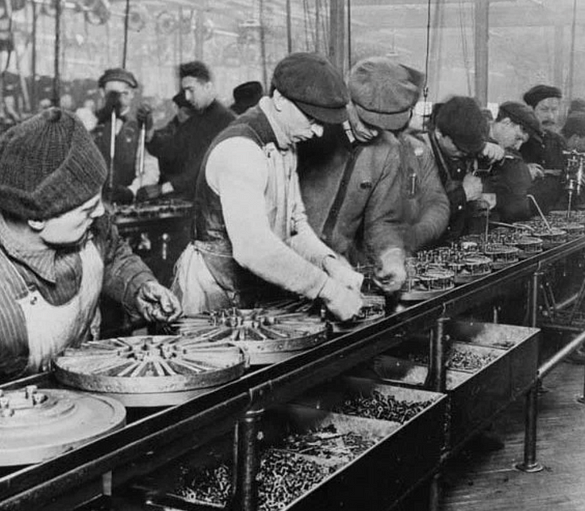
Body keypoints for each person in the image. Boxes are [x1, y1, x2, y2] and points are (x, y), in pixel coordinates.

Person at [0, 107, 181, 409]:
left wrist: (139, 287)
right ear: (38, 219)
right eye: (87, 210)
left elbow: (111, 254)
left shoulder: (87, 227)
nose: (101, 213)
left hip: (86, 409)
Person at [171, 52, 364, 321]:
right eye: (312, 119)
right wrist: (328, 290)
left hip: (251, 292)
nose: (318, 131)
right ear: (281, 101)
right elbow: (254, 250)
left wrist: (330, 264)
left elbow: (295, 227)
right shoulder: (241, 149)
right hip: (215, 293)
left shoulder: (286, 143)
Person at [298, 56, 416, 293]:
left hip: (339, 272)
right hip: (291, 263)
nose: (373, 132)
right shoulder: (307, 133)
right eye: (366, 121)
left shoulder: (389, 150)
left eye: (382, 126)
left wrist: (392, 255)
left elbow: (382, 221)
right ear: (348, 101)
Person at [145, 61, 235, 201]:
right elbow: (172, 151)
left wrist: (164, 188)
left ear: (208, 86)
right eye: (184, 91)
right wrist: (149, 131)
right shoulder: (195, 120)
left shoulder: (225, 121)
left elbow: (202, 168)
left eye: (191, 90)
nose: (187, 97)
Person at [423, 96, 497, 241]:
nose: (465, 153)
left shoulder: (465, 149)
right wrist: (463, 194)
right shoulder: (418, 155)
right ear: (439, 133)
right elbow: (418, 216)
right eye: (459, 147)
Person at [90, 67, 157, 204]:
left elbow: (150, 169)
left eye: (125, 93)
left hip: (125, 203)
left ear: (132, 94)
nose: (118, 99)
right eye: (112, 94)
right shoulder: (90, 123)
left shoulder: (139, 127)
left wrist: (132, 190)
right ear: (102, 93)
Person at [478, 102, 540, 227]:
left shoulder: (508, 148)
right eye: (518, 138)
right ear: (506, 122)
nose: (518, 146)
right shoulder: (476, 141)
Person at [520, 84, 568, 212]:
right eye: (544, 110)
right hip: (524, 211)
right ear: (530, 110)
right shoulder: (519, 139)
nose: (550, 117)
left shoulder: (559, 141)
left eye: (554, 110)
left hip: (553, 212)